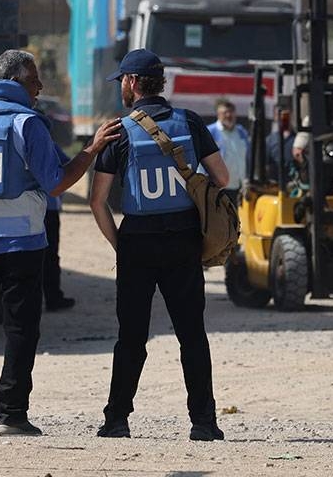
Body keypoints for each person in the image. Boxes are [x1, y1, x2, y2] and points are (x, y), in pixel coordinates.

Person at [0, 49, 120, 436]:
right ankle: (11, 415)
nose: (40, 87)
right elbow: (58, 183)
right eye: (34, 81)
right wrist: (92, 149)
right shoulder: (28, 124)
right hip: (24, 245)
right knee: (20, 329)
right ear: (15, 82)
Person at [88, 48, 229, 442]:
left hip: (137, 242)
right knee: (192, 334)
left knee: (131, 337)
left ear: (132, 83)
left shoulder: (118, 129)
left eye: (122, 82)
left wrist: (121, 246)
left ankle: (116, 420)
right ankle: (204, 422)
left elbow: (98, 202)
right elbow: (222, 176)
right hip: (184, 240)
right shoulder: (190, 122)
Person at [38, 103, 75, 313]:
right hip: (49, 208)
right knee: (50, 255)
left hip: (30, 210)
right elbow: (68, 165)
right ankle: (53, 297)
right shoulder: (49, 143)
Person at [206, 99, 249, 189]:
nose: (228, 115)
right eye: (225, 112)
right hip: (219, 188)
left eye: (231, 112)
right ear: (218, 114)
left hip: (240, 187)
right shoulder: (210, 132)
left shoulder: (241, 131)